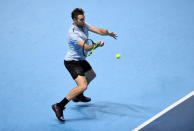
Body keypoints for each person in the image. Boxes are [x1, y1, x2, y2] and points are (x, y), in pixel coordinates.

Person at [52, 8, 118, 122]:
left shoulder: (84, 25)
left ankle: (78, 96)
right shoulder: (72, 34)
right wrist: (97, 45)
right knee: (82, 85)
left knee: (92, 75)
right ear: (74, 20)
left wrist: (107, 33)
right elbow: (86, 47)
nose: (83, 21)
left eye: (84, 19)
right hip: (72, 62)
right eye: (81, 20)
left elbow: (97, 30)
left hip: (81, 59)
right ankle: (59, 106)